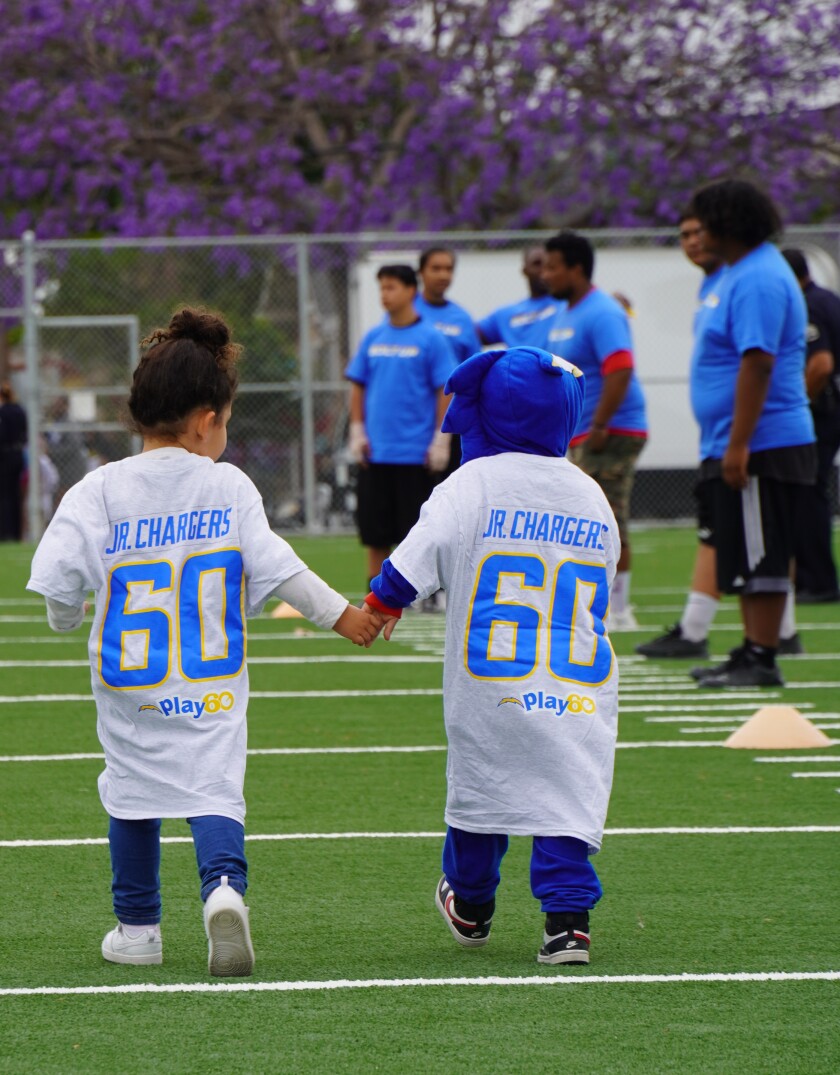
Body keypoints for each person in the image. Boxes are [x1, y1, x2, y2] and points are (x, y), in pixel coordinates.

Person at [27, 307, 378, 977]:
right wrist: (345, 616)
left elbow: (58, 585)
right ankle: (222, 887)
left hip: (130, 685)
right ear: (204, 420)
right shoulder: (229, 485)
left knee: (130, 795)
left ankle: (138, 929)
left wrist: (67, 616)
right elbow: (280, 569)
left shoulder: (97, 489)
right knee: (215, 790)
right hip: (211, 682)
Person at [362, 345, 620, 966]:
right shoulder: (589, 495)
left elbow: (409, 562)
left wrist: (381, 603)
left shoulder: (470, 484)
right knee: (566, 794)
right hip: (574, 678)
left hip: (493, 678)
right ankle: (567, 923)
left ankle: (473, 904)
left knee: (483, 790)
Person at [685, 181, 816, 688]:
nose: (698, 234)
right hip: (738, 440)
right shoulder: (739, 274)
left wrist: (739, 443)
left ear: (728, 223)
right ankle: (749, 650)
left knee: (761, 548)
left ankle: (763, 656)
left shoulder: (759, 276)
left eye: (705, 222)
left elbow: (758, 362)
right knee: (744, 546)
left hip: (763, 440)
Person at [539, 231, 647, 630]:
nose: (545, 275)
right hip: (584, 432)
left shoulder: (602, 311)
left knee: (608, 519)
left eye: (552, 266)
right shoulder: (566, 313)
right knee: (587, 518)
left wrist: (600, 423)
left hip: (612, 428)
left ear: (576, 268)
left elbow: (620, 366)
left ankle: (619, 611)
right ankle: (601, 604)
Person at [346, 264, 457, 589]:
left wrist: (441, 441)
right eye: (381, 288)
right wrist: (357, 432)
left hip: (414, 454)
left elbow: (444, 388)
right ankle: (375, 588)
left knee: (415, 531)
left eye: (392, 287)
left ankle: (418, 592)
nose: (385, 295)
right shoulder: (373, 337)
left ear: (411, 290)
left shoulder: (431, 338)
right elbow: (358, 385)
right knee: (374, 530)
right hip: (376, 452)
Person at [781, 248, 840, 604]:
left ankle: (816, 580)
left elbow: (820, 364)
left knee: (806, 492)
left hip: (820, 412)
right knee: (811, 491)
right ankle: (815, 577)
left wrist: (795, 407)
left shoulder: (808, 305)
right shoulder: (828, 299)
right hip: (830, 408)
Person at [475, 246, 559, 348]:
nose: (543, 270)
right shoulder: (506, 314)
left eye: (548, 265)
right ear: (525, 270)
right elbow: (467, 334)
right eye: (537, 264)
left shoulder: (565, 305)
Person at [415, 247, 481, 365]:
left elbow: (474, 365)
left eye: (449, 269)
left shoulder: (462, 317)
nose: (443, 276)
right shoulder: (406, 311)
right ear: (421, 272)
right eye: (436, 269)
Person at [0, 382, 27, 541]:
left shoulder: (3, 412)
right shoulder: (20, 411)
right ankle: (17, 533)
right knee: (16, 496)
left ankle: (6, 532)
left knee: (5, 496)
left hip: (5, 458)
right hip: (18, 455)